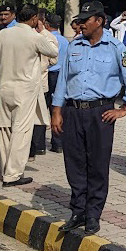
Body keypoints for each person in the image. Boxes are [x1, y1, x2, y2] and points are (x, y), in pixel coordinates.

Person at [51, 1, 126, 234]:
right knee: (74, 163)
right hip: (73, 111)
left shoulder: (115, 47)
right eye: (79, 20)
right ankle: (78, 211)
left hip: (100, 113)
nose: (80, 24)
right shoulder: (74, 45)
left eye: (85, 20)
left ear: (99, 21)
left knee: (98, 165)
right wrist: (57, 111)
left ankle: (93, 214)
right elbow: (63, 80)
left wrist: (124, 109)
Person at [0, 4, 59, 186]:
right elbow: (53, 51)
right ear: (34, 19)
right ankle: (13, 175)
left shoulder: (2, 34)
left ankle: (6, 170)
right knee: (21, 132)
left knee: (4, 129)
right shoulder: (35, 36)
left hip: (4, 87)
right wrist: (43, 31)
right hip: (25, 90)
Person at [42, 14, 68, 153]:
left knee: (42, 107)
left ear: (47, 25)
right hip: (60, 76)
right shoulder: (65, 41)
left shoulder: (45, 39)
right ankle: (58, 143)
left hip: (47, 74)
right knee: (58, 108)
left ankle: (39, 144)